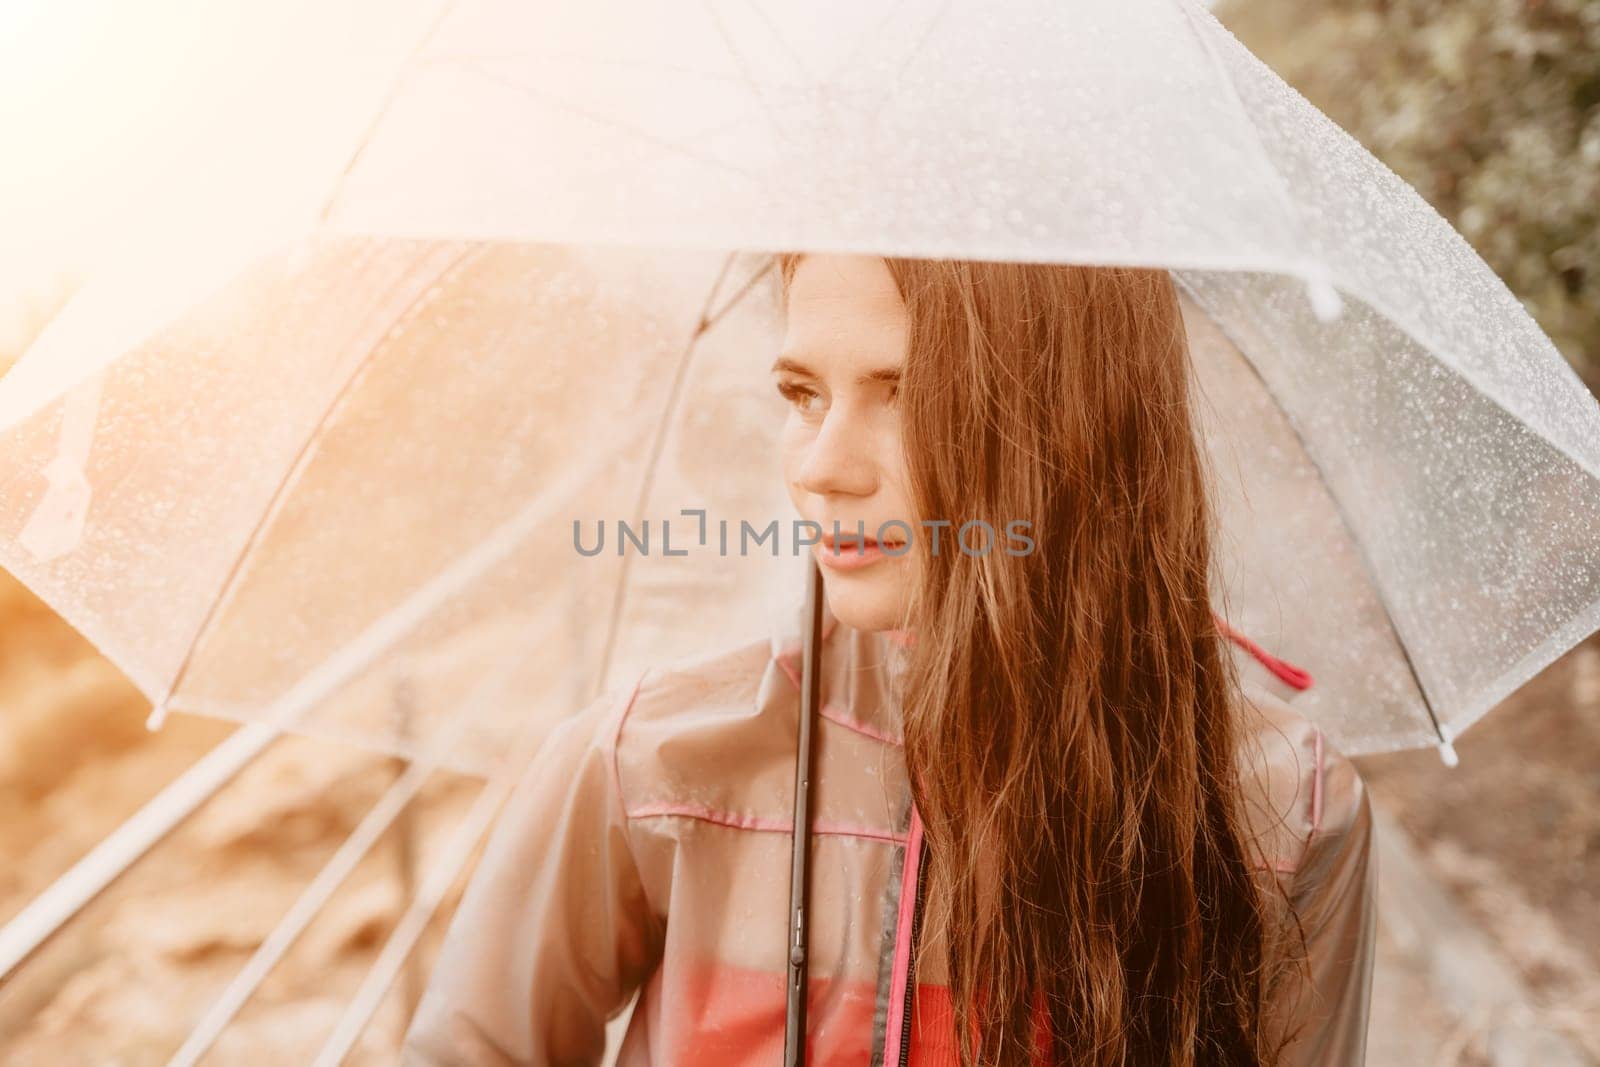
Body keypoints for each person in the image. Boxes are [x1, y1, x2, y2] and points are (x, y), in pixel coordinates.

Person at [399, 253, 1378, 1065]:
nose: (822, 464)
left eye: (903, 392)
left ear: (1070, 417)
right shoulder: (649, 767)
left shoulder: (1284, 813)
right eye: (801, 392)